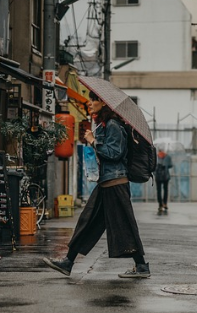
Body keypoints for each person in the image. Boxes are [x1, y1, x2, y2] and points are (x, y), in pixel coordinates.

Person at [43, 91, 150, 278]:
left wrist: (94, 141)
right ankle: (68, 262)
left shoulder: (114, 125)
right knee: (88, 222)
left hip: (115, 183)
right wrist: (94, 138)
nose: (90, 103)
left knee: (124, 224)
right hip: (106, 182)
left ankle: (141, 266)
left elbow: (115, 153)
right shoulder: (105, 125)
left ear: (104, 103)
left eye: (94, 100)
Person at [154, 150, 173, 214]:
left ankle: (160, 205)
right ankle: (165, 203)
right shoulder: (167, 157)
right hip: (165, 176)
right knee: (165, 190)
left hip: (158, 176)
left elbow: (153, 166)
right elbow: (171, 165)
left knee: (159, 190)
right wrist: (165, 166)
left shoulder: (156, 157)